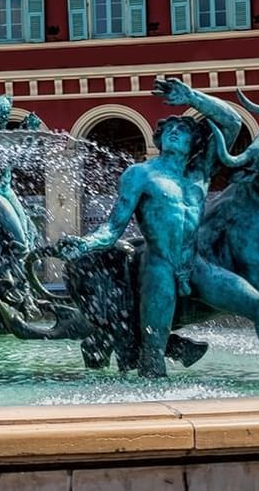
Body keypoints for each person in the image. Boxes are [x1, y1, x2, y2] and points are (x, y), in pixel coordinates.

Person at [59, 77, 245, 377]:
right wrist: (85, 244)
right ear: (159, 140)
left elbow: (233, 122)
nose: (174, 132)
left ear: (194, 142)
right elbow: (112, 228)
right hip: (159, 265)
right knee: (153, 351)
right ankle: (150, 385)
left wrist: (192, 98)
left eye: (182, 130)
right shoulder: (140, 174)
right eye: (169, 129)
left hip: (196, 264)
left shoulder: (200, 172)